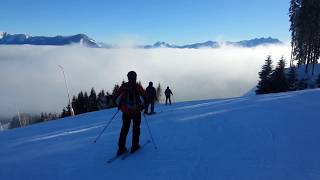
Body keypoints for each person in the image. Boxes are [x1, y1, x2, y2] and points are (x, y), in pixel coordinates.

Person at [114, 71, 148, 156]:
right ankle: (135, 146)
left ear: (128, 77)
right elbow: (145, 97)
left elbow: (115, 97)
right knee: (136, 128)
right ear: (135, 77)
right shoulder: (137, 87)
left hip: (126, 111)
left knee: (124, 129)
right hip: (136, 111)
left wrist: (120, 106)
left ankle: (121, 149)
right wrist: (143, 107)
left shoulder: (124, 86)